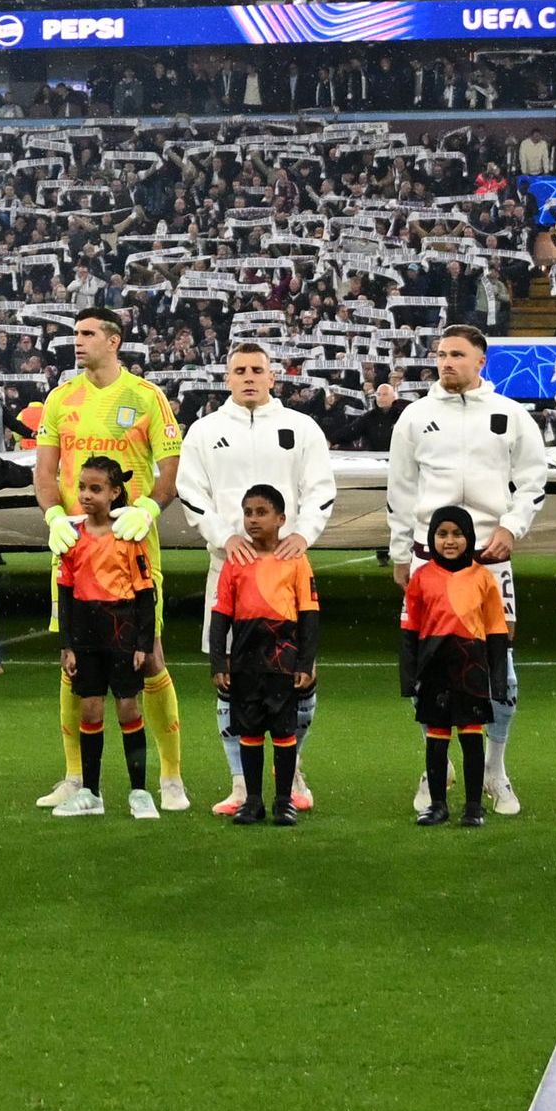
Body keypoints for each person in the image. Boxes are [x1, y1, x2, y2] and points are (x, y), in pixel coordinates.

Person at [32, 309, 190, 815]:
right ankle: (76, 778)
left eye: (87, 334)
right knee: (75, 659)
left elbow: (170, 471)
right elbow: (44, 471)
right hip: (74, 547)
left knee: (151, 656)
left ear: (114, 340)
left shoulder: (146, 397)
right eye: (74, 334)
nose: (77, 342)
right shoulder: (60, 399)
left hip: (131, 545)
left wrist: (149, 509)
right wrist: (54, 515)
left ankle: (170, 777)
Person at [393, 325, 553, 815]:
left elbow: (533, 480)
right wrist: (400, 553)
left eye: (457, 355)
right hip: (428, 559)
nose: (447, 362)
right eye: (442, 354)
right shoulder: (415, 416)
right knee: (429, 666)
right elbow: (400, 489)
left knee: (501, 667)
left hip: (489, 559)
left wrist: (512, 527)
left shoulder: (510, 414)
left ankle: (494, 769)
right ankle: (436, 764)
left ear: (481, 360)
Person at [180, 344, 336, 813]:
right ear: (227, 378)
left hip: (287, 572)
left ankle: (293, 770)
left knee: (299, 674)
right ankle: (239, 782)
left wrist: (303, 534)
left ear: (273, 377)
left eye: (257, 370)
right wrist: (224, 535)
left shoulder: (300, 427)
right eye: (240, 370)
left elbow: (321, 490)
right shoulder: (205, 431)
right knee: (230, 677)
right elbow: (191, 492)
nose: (248, 377)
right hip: (230, 569)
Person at [53, 456, 162, 821]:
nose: (86, 495)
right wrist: (67, 645)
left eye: (95, 489)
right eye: (82, 487)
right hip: (86, 634)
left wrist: (142, 644)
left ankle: (139, 791)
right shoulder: (72, 537)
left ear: (115, 493)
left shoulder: (128, 538)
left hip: (122, 631)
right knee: (90, 708)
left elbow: (145, 595)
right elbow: (65, 594)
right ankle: (90, 792)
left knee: (128, 707)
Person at [211, 484, 321, 828]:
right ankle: (253, 801)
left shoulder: (296, 560)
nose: (253, 520)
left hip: (282, 661)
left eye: (261, 512)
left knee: (284, 732)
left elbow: (309, 615)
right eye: (248, 513)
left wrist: (305, 662)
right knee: (250, 732)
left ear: (281, 519)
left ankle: (284, 801)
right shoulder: (235, 562)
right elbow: (221, 615)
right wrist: (219, 661)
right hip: (246, 662)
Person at [397, 502, 509, 829]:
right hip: (435, 669)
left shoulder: (483, 578)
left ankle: (474, 807)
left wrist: (497, 680)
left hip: (470, 668)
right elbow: (409, 630)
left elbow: (496, 631)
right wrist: (408, 678)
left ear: (470, 537)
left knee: (472, 738)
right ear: (432, 538)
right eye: (442, 534)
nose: (450, 541)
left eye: (458, 534)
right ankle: (438, 805)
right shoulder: (421, 579)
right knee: (436, 739)